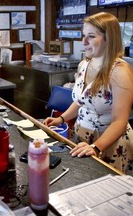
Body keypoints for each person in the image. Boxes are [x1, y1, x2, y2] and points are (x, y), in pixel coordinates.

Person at [43, 12, 133, 174]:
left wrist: (96, 147)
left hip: (107, 142)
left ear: (109, 39)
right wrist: (61, 119)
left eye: (91, 36)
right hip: (81, 136)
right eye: (84, 35)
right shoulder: (84, 64)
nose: (83, 42)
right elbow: (80, 101)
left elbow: (120, 121)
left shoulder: (119, 71)